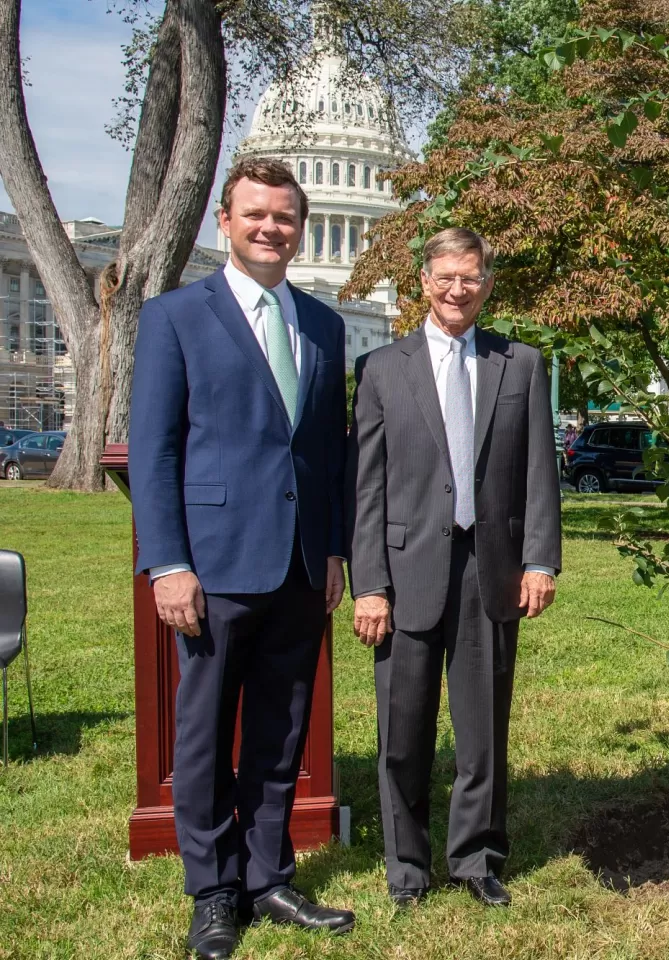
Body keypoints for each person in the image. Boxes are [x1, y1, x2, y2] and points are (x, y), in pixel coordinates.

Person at [129, 158, 353, 960]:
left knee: (280, 730)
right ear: (223, 222)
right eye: (255, 214)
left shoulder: (323, 326)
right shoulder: (175, 317)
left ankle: (269, 875)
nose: (271, 228)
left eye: (284, 216)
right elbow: (154, 454)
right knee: (202, 736)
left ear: (299, 226)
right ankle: (215, 889)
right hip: (212, 566)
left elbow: (328, 452)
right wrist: (168, 564)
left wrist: (333, 550)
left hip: (299, 565)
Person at [347, 227, 562, 908]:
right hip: (406, 571)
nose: (457, 289)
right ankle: (407, 868)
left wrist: (540, 560)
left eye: (470, 277)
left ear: (487, 284)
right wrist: (370, 586)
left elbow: (538, 471)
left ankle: (475, 859)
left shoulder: (520, 365)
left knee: (482, 733)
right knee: (402, 735)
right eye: (445, 276)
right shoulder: (383, 369)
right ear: (423, 282)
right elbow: (368, 490)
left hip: (489, 568)